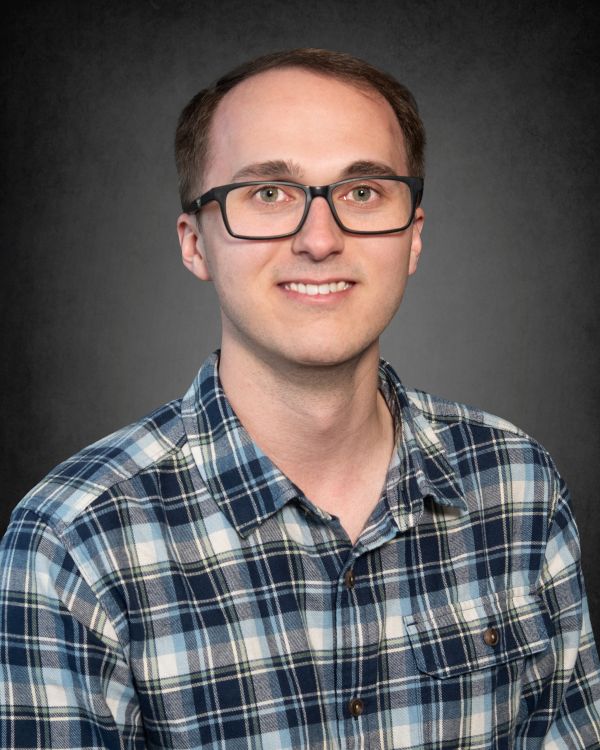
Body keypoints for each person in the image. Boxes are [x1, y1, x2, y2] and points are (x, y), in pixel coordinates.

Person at [1, 48, 599, 749]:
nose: (321, 238)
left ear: (413, 239)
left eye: (364, 193)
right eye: (268, 194)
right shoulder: (73, 545)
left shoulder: (518, 485)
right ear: (196, 244)